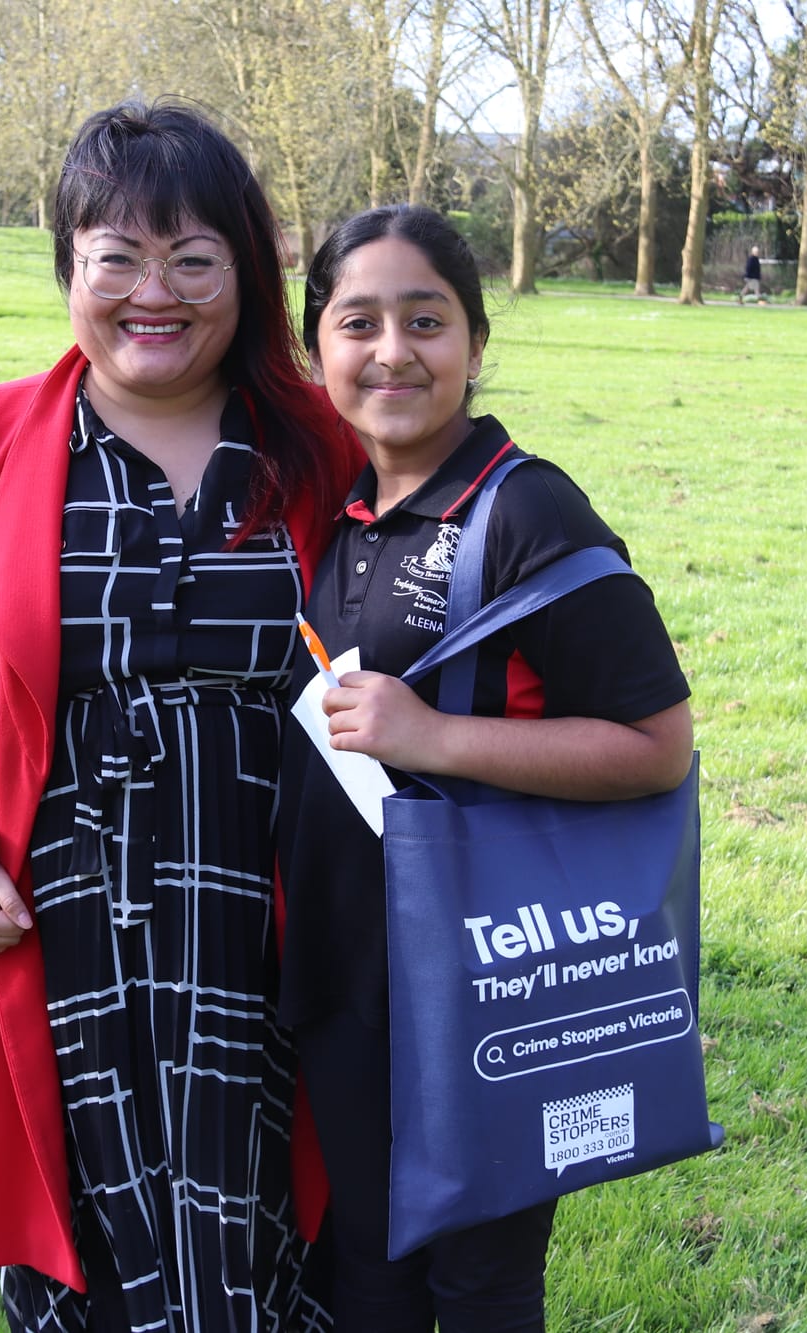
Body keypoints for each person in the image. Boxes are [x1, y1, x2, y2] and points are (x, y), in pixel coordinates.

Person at [0, 100, 356, 1331]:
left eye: (193, 259)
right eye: (117, 257)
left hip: (270, 925)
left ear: (244, 273)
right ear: (69, 268)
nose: (155, 292)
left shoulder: (322, 450)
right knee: (87, 1241)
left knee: (265, 1232)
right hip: (59, 921)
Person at [279, 204, 694, 1332]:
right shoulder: (339, 509)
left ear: (473, 340)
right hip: (344, 972)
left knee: (477, 1285)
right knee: (363, 1262)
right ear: (315, 344)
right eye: (356, 321)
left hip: (484, 987)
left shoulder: (525, 510)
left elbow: (656, 746)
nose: (391, 351)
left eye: (426, 320)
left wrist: (432, 737)